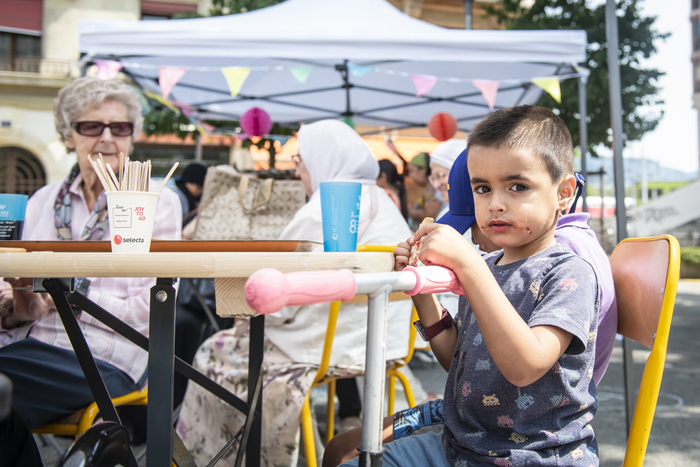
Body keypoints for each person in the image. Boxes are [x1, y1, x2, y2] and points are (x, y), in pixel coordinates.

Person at [336, 105, 601, 466]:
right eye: (482, 188)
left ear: (563, 192)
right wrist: (421, 291)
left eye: (517, 186)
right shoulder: (488, 266)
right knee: (343, 455)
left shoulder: (570, 273)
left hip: (534, 456)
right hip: (459, 446)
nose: (495, 204)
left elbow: (524, 367)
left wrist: (469, 266)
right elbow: (458, 362)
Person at [175, 119, 416, 466]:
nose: (299, 171)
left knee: (211, 351)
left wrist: (246, 315)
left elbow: (279, 301)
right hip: (384, 343)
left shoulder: (327, 206)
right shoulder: (383, 201)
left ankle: (210, 460)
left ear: (321, 160)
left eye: (300, 161)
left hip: (323, 346)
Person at [0, 77, 182, 436]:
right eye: (91, 126)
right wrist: (22, 303)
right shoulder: (42, 200)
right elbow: (24, 307)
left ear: (132, 135)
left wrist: (70, 293)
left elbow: (154, 310)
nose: (107, 137)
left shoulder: (154, 200)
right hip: (27, 345)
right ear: (69, 136)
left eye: (120, 127)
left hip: (103, 355)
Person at [405, 152, 442, 230]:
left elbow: (429, 215)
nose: (410, 175)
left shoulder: (432, 188)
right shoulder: (428, 187)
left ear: (423, 170)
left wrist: (408, 212)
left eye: (412, 171)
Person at [174, 162, 208, 229]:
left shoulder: (193, 199)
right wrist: (196, 211)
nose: (200, 190)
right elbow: (175, 224)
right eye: (199, 187)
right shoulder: (177, 197)